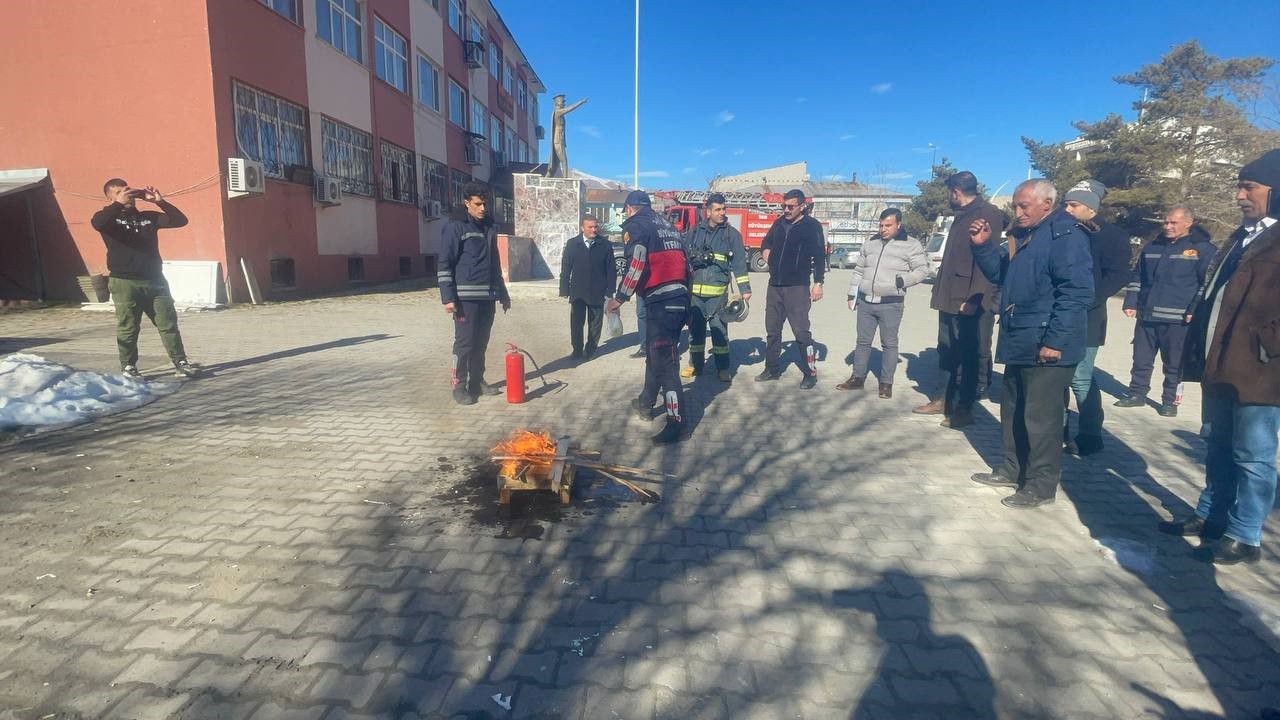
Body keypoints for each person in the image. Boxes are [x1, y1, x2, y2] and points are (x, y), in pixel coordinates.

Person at [1165, 149, 1280, 565]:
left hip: (1259, 371)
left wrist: (1268, 345)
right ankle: (1211, 516)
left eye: (1249, 187)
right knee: (1216, 444)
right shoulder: (1240, 237)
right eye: (1239, 187)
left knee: (1253, 454)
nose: (1239, 196)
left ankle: (1245, 534)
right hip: (1220, 362)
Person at [968, 179, 1093, 509]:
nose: (1017, 211)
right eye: (1016, 205)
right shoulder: (1024, 236)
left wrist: (1055, 340)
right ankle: (1012, 468)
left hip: (1047, 344)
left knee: (1042, 419)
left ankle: (1040, 485)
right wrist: (982, 246)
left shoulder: (1065, 236)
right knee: (1013, 411)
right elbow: (1000, 274)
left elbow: (1076, 293)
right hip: (1020, 337)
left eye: (1024, 206)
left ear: (1046, 205)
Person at [916, 171, 1008, 428]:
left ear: (956, 191)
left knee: (968, 355)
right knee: (945, 349)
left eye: (950, 192)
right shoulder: (961, 216)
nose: (949, 197)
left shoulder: (986, 213)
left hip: (969, 298)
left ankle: (964, 408)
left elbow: (987, 260)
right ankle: (941, 399)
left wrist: (974, 298)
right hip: (949, 295)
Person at [90, 179, 199, 379]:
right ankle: (129, 366)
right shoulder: (108, 219)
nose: (126, 195)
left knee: (168, 323)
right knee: (129, 326)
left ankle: (180, 362)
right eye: (119, 192)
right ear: (109, 197)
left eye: (128, 190)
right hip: (124, 282)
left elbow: (180, 221)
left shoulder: (148, 218)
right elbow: (98, 224)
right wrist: (118, 204)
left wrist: (160, 202)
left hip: (155, 280)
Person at [606, 190, 692, 444]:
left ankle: (678, 424)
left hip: (661, 302)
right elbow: (688, 265)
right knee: (657, 355)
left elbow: (637, 262)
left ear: (630, 208)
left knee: (666, 366)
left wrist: (620, 298)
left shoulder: (636, 226)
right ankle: (645, 403)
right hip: (680, 299)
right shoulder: (668, 225)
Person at [1114, 205, 1214, 417]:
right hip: (1147, 315)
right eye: (1165, 222)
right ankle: (1137, 393)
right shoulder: (1152, 247)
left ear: (1189, 223)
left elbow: (1206, 283)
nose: (1167, 226)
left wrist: (1194, 309)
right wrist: (1130, 301)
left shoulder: (1202, 249)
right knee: (1141, 358)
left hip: (1179, 319)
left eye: (1173, 223)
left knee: (1174, 364)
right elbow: (1137, 276)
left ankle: (1170, 401)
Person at [1060, 180, 1132, 455]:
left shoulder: (1111, 235)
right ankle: (1058, 431)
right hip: (1059, 315)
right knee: (1056, 378)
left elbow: (1119, 275)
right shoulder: (1064, 230)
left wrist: (1087, 298)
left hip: (1088, 317)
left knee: (1080, 377)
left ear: (1090, 207)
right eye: (1065, 203)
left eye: (1073, 204)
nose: (1067, 209)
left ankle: (1090, 434)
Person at [836, 208, 928, 398]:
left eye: (888, 225)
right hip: (866, 302)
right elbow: (859, 271)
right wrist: (852, 294)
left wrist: (902, 281)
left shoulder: (911, 245)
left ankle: (886, 383)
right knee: (862, 341)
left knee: (889, 344)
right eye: (881, 225)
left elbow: (922, 270)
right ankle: (857, 378)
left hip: (891, 304)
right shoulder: (871, 243)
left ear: (898, 225)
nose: (883, 229)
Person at [439, 182, 510, 405]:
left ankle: (476, 382)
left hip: (487, 297)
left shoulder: (488, 227)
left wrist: (503, 293)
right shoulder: (456, 227)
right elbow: (444, 263)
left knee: (481, 344)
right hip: (465, 299)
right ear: (467, 203)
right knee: (465, 344)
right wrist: (448, 297)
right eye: (478, 204)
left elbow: (495, 263)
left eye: (485, 204)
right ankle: (459, 385)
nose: (482, 208)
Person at [756, 189, 825, 388]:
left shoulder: (812, 226)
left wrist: (818, 283)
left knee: (801, 333)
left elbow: (819, 256)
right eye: (784, 206)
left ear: (802, 206)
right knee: (772, 331)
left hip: (797, 287)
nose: (786, 209)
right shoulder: (779, 223)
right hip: (775, 285)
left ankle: (810, 372)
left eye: (790, 206)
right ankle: (772, 369)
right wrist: (766, 252)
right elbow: (766, 242)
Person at [680, 193, 752, 382]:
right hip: (695, 294)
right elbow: (684, 258)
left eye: (724, 209)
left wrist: (745, 288)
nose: (722, 212)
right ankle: (695, 365)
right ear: (708, 211)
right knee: (695, 333)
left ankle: (723, 368)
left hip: (718, 294)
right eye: (718, 209)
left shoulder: (731, 235)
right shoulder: (695, 231)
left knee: (719, 332)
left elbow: (739, 264)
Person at [559, 215, 616, 360]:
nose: (593, 230)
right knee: (576, 323)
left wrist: (610, 291)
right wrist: (564, 289)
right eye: (590, 227)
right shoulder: (572, 244)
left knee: (595, 324)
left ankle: (591, 350)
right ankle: (577, 350)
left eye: (595, 226)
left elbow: (611, 270)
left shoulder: (605, 245)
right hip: (578, 291)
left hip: (598, 290)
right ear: (582, 228)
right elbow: (566, 268)